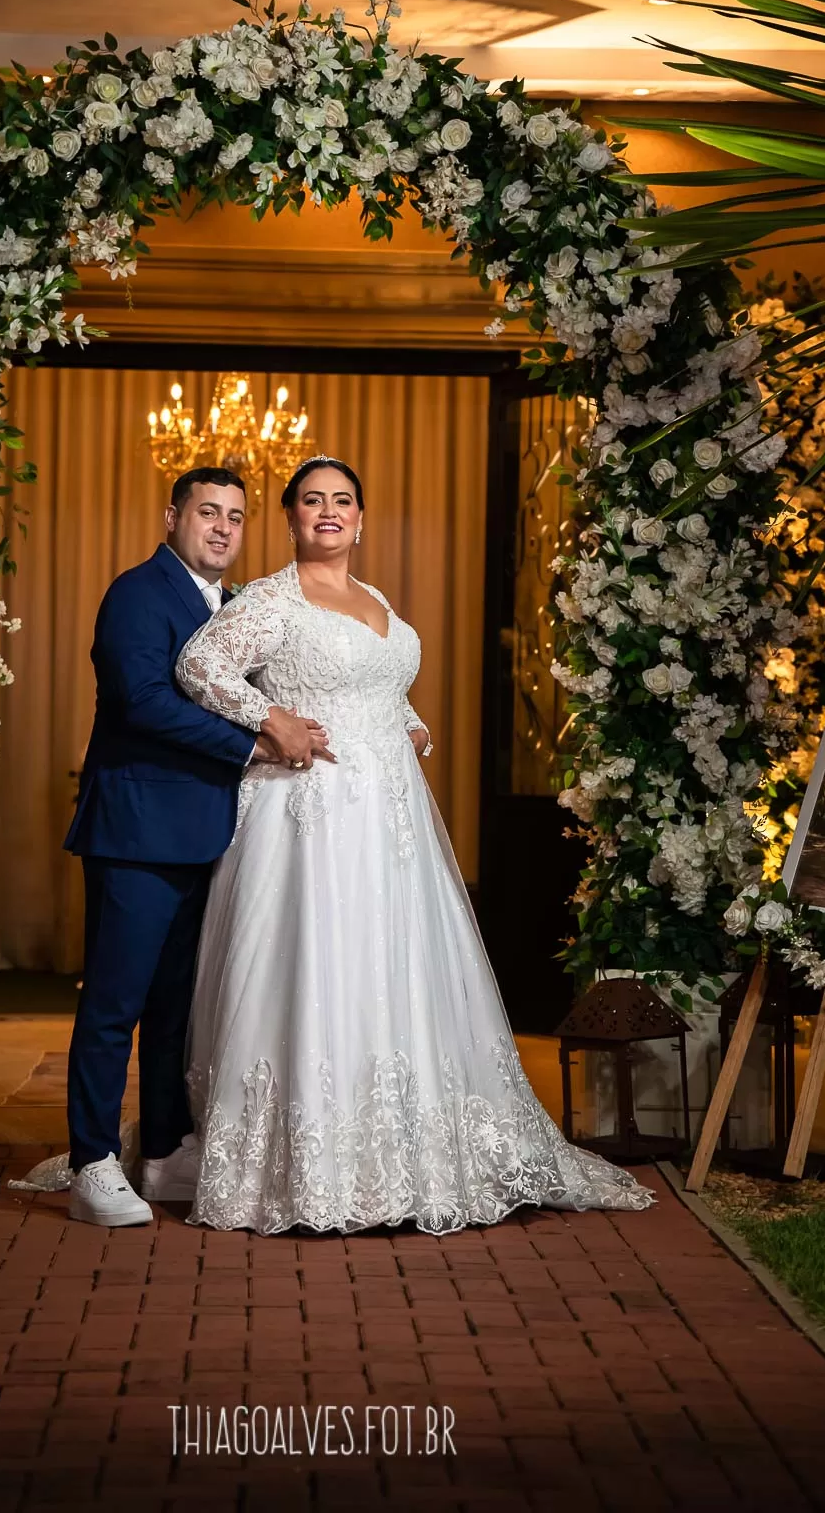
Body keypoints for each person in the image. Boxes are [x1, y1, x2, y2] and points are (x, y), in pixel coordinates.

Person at [173, 455, 654, 1234]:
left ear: (361, 519)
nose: (328, 511)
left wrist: (409, 721)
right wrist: (272, 720)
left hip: (390, 821)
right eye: (311, 500)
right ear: (291, 518)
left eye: (342, 500)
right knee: (321, 966)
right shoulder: (271, 600)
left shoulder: (376, 600)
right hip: (311, 817)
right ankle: (313, 1164)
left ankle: (407, 1147)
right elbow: (198, 666)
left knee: (393, 969)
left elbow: (380, 686)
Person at [11, 467, 331, 1225]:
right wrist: (255, 742)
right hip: (137, 829)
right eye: (207, 512)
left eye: (236, 517)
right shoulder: (137, 593)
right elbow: (144, 702)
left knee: (175, 1010)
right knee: (114, 1004)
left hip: (209, 833)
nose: (222, 528)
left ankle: (160, 1150)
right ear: (172, 517)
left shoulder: (238, 603)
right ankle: (92, 1161)